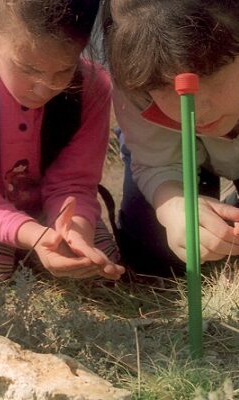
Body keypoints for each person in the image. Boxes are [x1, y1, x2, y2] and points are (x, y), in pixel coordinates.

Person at [0, 0, 125, 282]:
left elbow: (74, 184)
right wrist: (36, 237)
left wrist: (74, 231)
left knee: (99, 266)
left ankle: (21, 253)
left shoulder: (93, 87)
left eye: (63, 71)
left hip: (40, 206)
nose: (44, 88)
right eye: (28, 69)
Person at [102, 0, 239, 276]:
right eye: (162, 86)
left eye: (211, 72)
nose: (198, 109)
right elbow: (157, 163)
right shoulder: (137, 69)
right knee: (154, 257)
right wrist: (175, 206)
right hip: (165, 154)